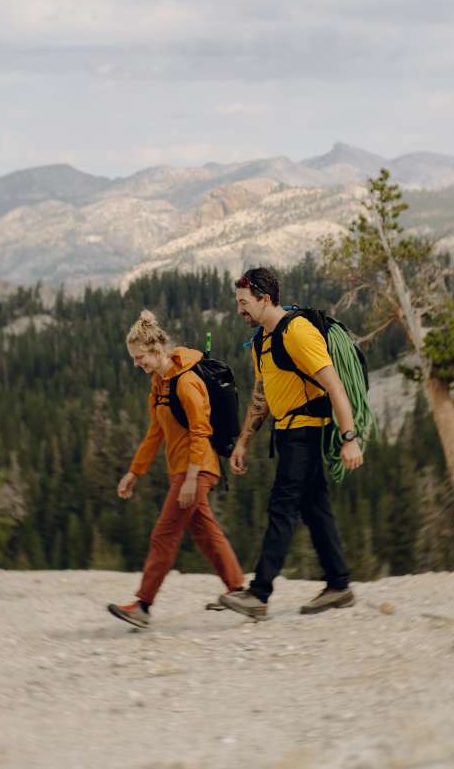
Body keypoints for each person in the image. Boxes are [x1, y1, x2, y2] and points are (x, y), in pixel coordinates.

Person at [216, 266, 363, 620]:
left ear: (265, 299)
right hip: (286, 433)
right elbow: (262, 396)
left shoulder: (297, 332)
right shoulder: (262, 341)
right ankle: (339, 585)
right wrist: (243, 442)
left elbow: (334, 386)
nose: (239, 310)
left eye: (244, 302)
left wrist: (349, 438)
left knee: (282, 507)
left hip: (306, 433)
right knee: (314, 508)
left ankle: (259, 593)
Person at [107, 310, 247, 629]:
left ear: (157, 350)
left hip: (196, 469)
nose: (136, 363)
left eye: (139, 357)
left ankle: (142, 605)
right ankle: (238, 590)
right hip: (183, 471)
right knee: (205, 531)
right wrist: (134, 472)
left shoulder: (186, 382)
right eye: (134, 358)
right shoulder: (160, 384)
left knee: (164, 534)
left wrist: (192, 478)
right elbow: (154, 432)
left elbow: (201, 429)